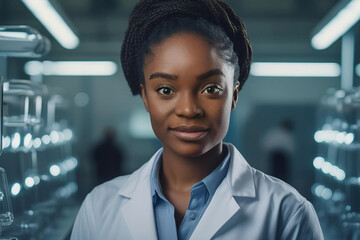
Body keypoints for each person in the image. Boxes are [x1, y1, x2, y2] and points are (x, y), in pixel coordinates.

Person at [71, 0, 324, 239]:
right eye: (166, 90)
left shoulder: (288, 212)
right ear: (146, 97)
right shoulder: (98, 208)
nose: (189, 109)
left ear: (234, 95)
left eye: (211, 89)